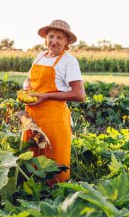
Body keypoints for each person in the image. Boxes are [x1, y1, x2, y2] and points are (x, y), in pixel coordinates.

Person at [22, 20, 86, 184]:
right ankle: (32, 194)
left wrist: (46, 96)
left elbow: (79, 94)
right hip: (31, 116)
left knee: (53, 162)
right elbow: (28, 80)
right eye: (51, 36)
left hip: (53, 119)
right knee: (31, 155)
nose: (54, 41)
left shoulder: (69, 61)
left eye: (59, 37)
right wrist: (26, 89)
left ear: (67, 42)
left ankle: (55, 201)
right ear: (46, 39)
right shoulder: (40, 56)